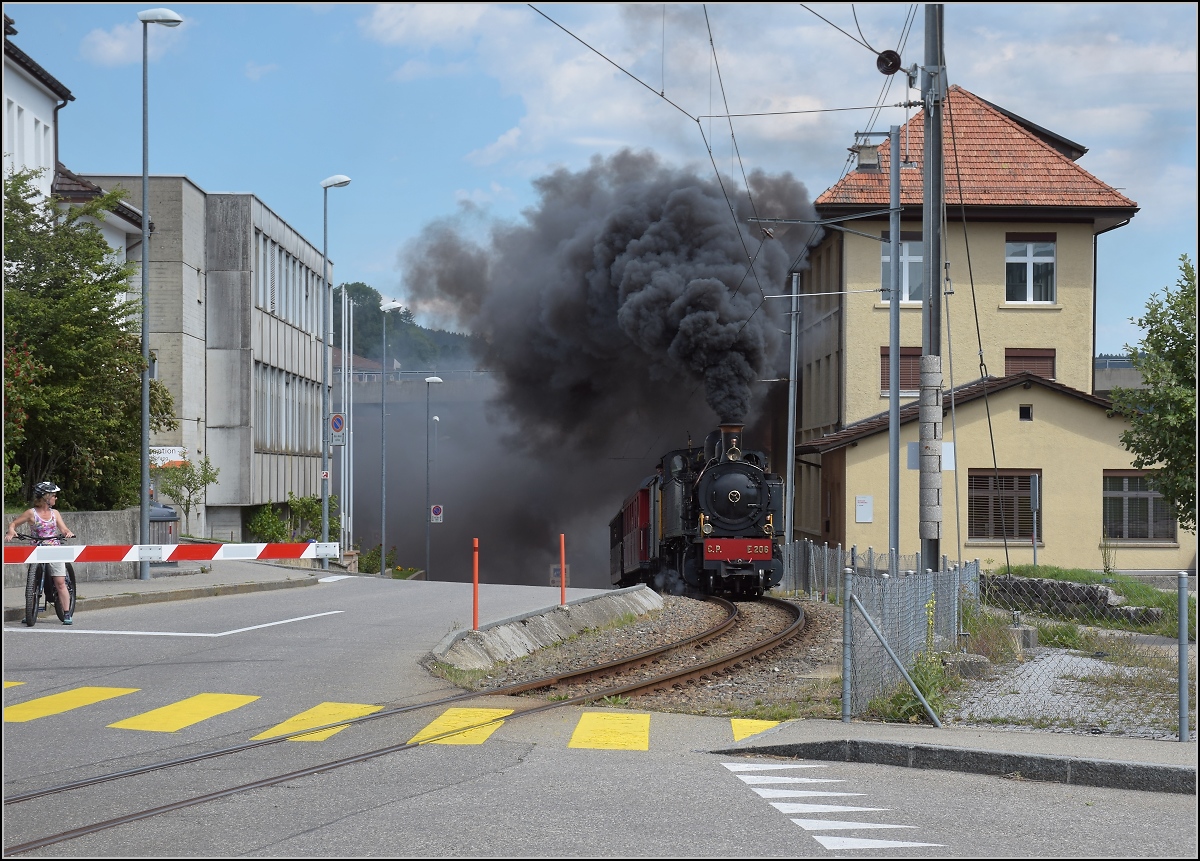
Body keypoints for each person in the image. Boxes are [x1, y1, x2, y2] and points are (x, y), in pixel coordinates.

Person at [5, 481, 76, 625]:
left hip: (54, 549)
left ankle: (67, 612)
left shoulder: (55, 514)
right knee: (33, 582)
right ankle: (31, 611)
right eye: (54, 496)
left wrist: (68, 533)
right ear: (46, 497)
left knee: (60, 582)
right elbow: (13, 524)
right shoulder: (31, 513)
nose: (56, 498)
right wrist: (11, 531)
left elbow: (63, 529)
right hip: (36, 550)